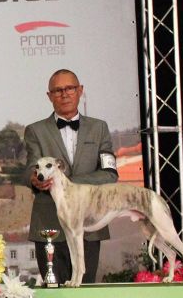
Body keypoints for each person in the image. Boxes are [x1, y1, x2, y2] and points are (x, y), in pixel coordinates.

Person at [24, 69, 118, 284]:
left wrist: (66, 182)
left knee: (86, 295)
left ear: (80, 91)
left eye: (70, 88)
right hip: (49, 225)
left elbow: (109, 173)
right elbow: (30, 167)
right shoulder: (35, 130)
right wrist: (35, 180)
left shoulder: (99, 128)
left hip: (90, 225)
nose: (64, 94)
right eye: (57, 90)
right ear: (49, 96)